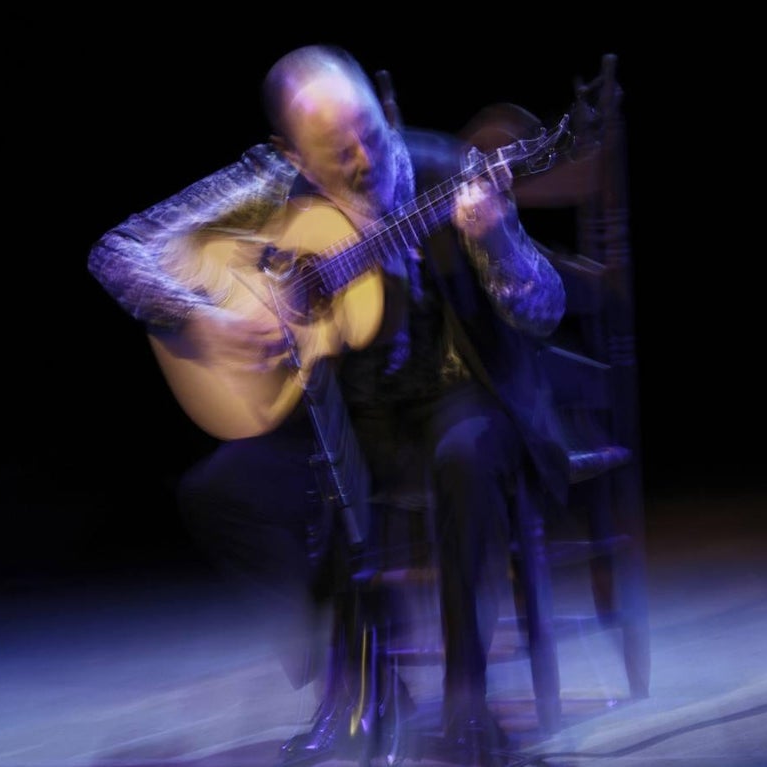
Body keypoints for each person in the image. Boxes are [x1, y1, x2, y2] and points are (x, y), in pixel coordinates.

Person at [87, 44, 569, 767]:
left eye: (370, 134)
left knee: (467, 454)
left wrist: (497, 241)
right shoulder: (270, 186)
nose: (365, 160)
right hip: (333, 416)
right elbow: (121, 251)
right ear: (293, 155)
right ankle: (356, 669)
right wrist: (208, 318)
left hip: (454, 397)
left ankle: (469, 697)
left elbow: (545, 309)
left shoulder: (446, 169)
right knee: (220, 491)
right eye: (336, 152)